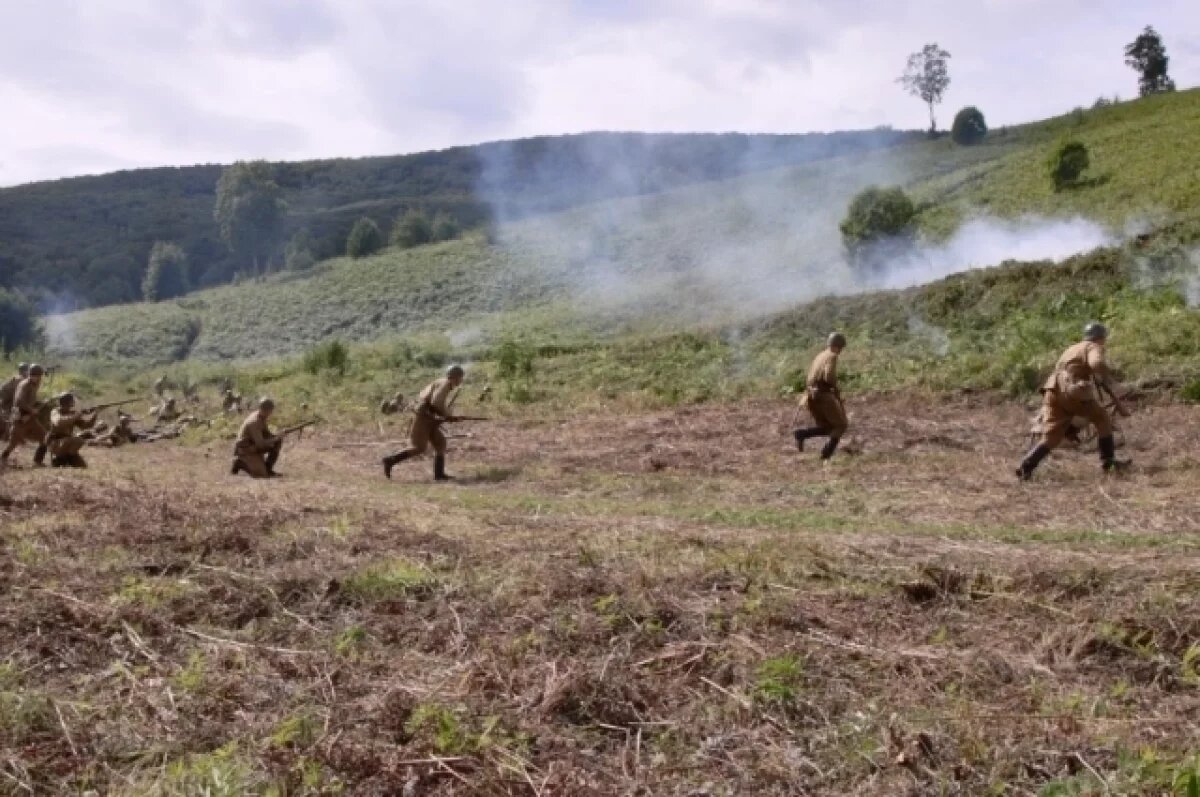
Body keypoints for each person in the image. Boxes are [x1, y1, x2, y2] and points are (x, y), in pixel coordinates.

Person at [1017, 322, 1131, 480]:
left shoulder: (1072, 348)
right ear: (1100, 337)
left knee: (1052, 436)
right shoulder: (1093, 347)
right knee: (1102, 419)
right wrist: (1105, 376)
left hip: (1053, 390)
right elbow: (1097, 363)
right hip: (1072, 391)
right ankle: (1109, 464)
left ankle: (1026, 467)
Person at [381, 364, 465, 481]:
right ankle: (390, 460)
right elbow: (436, 403)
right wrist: (448, 416)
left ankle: (439, 474)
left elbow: (436, 404)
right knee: (418, 447)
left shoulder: (444, 383)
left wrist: (448, 416)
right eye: (460, 378)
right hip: (423, 417)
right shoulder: (445, 385)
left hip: (429, 417)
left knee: (440, 443)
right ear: (455, 377)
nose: (461, 380)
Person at [792, 333, 849, 461]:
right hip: (823, 395)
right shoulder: (832, 356)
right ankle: (826, 454)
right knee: (841, 425)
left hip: (810, 395)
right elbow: (829, 377)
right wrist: (836, 389)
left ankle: (801, 434)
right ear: (838, 346)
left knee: (827, 427)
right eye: (841, 347)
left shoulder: (820, 355)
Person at [1, 364, 48, 467]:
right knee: (13, 443)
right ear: (34, 375)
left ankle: (38, 461)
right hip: (20, 418)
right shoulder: (24, 385)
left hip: (29, 418)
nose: (40, 378)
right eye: (39, 376)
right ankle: (3, 458)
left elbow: (29, 400)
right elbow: (19, 401)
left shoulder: (34, 384)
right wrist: (32, 410)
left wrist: (38, 404)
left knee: (44, 436)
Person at [232, 397, 282, 478]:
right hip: (246, 450)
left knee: (277, 441)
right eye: (270, 410)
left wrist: (276, 436)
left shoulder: (261, 417)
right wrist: (275, 438)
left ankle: (268, 469)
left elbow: (266, 434)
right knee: (261, 474)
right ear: (267, 410)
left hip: (253, 445)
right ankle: (239, 463)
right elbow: (260, 444)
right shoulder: (254, 422)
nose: (271, 413)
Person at [46, 393, 98, 468]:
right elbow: (58, 422)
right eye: (71, 401)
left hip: (66, 443)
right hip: (55, 442)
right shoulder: (55, 411)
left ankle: (63, 459)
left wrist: (95, 415)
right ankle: (60, 459)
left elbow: (86, 426)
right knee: (77, 440)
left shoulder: (73, 413)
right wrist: (78, 415)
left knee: (82, 466)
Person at [0, 362, 29, 441]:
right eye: (27, 370)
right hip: (12, 402)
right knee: (13, 418)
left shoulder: (15, 378)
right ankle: (7, 436)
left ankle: (7, 435)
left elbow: (3, 389)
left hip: (8, 401)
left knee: (11, 417)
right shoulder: (21, 380)